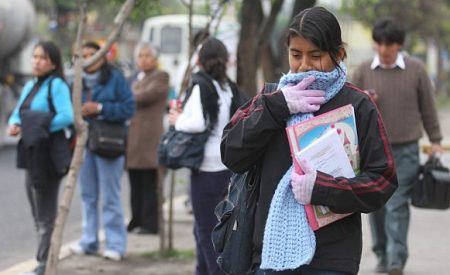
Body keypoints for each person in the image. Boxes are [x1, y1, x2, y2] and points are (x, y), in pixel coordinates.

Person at [221, 7, 398, 275]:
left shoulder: (357, 105)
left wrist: (323, 189)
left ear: (338, 54)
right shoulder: (271, 99)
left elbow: (382, 181)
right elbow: (231, 153)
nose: (304, 65)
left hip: (331, 258)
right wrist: (276, 108)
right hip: (269, 255)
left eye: (316, 56)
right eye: (296, 55)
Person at [352, 18, 443, 275]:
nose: (383, 49)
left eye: (389, 44)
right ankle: (381, 253)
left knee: (397, 204)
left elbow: (428, 108)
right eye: (378, 43)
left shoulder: (416, 70)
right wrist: (364, 102)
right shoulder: (362, 71)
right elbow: (347, 111)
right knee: (376, 206)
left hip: (406, 151)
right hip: (372, 152)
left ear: (399, 45)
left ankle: (396, 259)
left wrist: (435, 141)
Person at [168, 37, 248, 275]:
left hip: (205, 170)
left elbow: (197, 122)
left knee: (206, 232)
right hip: (226, 167)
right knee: (207, 229)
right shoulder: (227, 87)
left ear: (200, 61)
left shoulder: (201, 84)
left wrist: (176, 120)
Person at [7, 41, 74, 275]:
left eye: (42, 58)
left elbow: (67, 116)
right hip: (31, 153)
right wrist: (15, 124)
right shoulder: (31, 86)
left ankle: (45, 264)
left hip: (48, 154)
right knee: (36, 211)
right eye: (34, 57)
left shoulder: (57, 86)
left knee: (46, 214)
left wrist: (38, 128)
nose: (36, 61)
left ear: (53, 63)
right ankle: (45, 258)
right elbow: (18, 113)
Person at [70, 41, 135, 261]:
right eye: (83, 55)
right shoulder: (77, 81)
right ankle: (89, 240)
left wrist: (99, 108)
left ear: (102, 57)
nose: (88, 59)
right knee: (87, 195)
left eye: (92, 54)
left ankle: (116, 244)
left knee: (111, 197)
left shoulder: (115, 78)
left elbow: (128, 108)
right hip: (85, 143)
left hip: (109, 144)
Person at [125, 42, 169, 234]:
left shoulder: (161, 76)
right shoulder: (134, 77)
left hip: (150, 138)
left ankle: (151, 223)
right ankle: (137, 219)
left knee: (150, 182)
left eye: (147, 56)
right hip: (133, 138)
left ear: (155, 59)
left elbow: (145, 96)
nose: (143, 59)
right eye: (140, 56)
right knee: (135, 181)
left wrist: (127, 96)